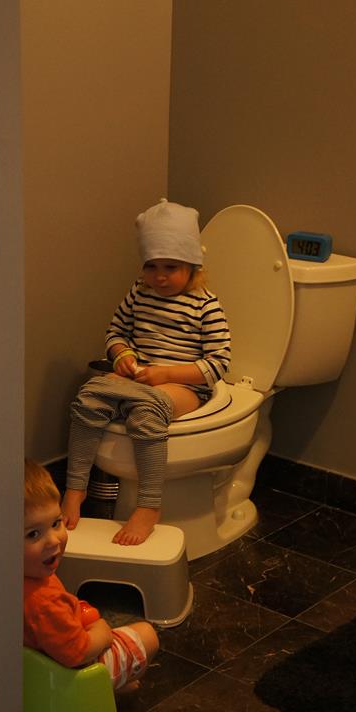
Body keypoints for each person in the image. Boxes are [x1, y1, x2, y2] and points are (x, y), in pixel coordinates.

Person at [61, 198, 231, 545]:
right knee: (88, 398)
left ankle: (149, 506)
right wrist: (121, 354)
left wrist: (166, 375)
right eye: (151, 266)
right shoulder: (140, 294)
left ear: (193, 265)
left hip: (184, 386)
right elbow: (115, 331)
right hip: (138, 377)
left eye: (171, 266)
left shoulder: (206, 305)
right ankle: (75, 488)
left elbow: (218, 363)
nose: (160, 276)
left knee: (145, 414)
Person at [23, 459, 159, 692]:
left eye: (56, 523)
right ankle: (103, 690)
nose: (53, 540)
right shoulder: (43, 602)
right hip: (69, 677)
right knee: (146, 635)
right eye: (33, 534)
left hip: (37, 666)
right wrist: (102, 633)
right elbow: (77, 652)